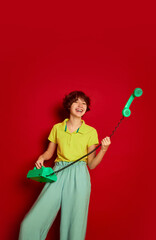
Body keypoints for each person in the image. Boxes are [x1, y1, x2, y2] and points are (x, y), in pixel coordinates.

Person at [19, 91, 111, 240]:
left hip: (79, 175)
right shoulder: (57, 128)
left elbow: (92, 164)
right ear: (69, 105)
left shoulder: (90, 132)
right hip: (58, 172)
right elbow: (49, 153)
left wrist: (104, 149)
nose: (80, 105)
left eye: (84, 103)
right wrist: (42, 158)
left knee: (74, 226)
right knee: (30, 223)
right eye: (76, 102)